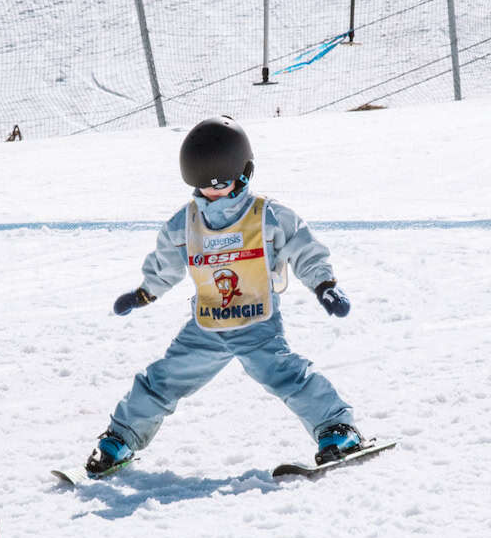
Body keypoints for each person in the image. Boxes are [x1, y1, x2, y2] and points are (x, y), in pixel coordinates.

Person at [86, 115, 364, 476]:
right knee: (163, 379)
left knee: (288, 377)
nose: (212, 192)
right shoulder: (184, 223)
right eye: (204, 185)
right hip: (207, 325)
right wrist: (144, 293)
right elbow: (167, 264)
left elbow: (304, 249)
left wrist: (324, 284)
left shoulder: (267, 216)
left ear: (244, 173)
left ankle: (338, 430)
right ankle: (121, 438)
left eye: (221, 183)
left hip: (256, 322)